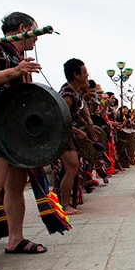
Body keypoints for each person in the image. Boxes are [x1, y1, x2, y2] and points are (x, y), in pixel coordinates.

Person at [0, 12, 46, 270]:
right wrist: (14, 71)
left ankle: (15, 239)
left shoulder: (22, 59)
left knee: (16, 186)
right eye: (34, 30)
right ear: (22, 28)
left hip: (16, 132)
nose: (36, 36)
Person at [57, 58, 97, 215]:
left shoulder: (76, 92)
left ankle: (69, 201)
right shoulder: (67, 95)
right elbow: (59, 120)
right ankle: (64, 204)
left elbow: (82, 109)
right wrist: (76, 131)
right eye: (85, 72)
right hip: (63, 137)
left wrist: (89, 125)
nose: (87, 75)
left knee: (73, 169)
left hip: (71, 135)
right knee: (72, 167)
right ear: (76, 74)